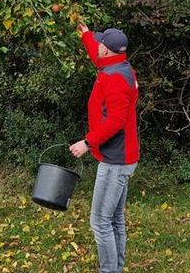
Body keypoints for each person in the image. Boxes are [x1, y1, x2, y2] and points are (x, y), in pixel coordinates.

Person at [70, 24, 140, 273]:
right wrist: (85, 34)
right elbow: (97, 55)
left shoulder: (115, 78)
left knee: (100, 222)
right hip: (122, 156)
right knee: (115, 219)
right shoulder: (117, 65)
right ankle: (116, 268)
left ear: (107, 50)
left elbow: (116, 121)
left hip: (115, 160)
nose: (97, 45)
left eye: (100, 43)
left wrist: (87, 142)